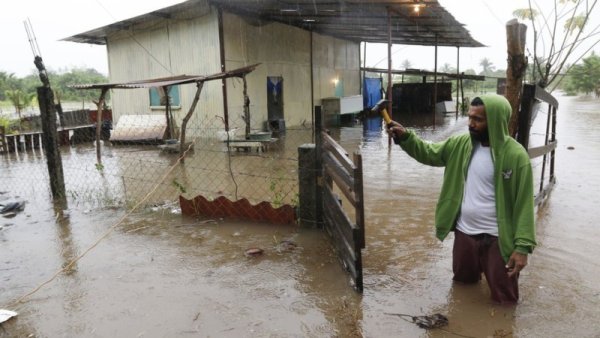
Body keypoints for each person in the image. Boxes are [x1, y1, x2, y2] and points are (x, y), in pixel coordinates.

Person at [387, 94, 536, 304]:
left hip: (499, 240)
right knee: (463, 287)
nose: (470, 124)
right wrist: (406, 137)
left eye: (478, 119)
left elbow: (524, 205)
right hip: (465, 233)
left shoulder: (516, 156)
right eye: (470, 117)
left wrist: (522, 248)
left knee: (505, 299)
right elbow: (429, 153)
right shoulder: (461, 144)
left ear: (495, 121)